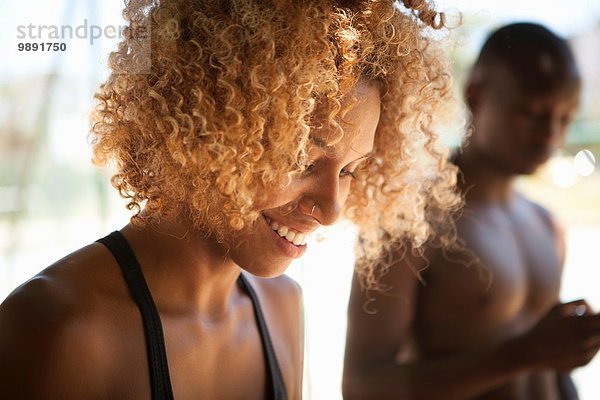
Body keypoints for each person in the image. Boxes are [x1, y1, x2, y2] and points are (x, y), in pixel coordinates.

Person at [0, 1, 461, 399]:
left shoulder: (283, 307)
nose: (333, 208)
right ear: (205, 128)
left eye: (350, 170)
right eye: (301, 159)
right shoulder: (59, 330)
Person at [342, 22, 600, 400]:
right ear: (476, 95)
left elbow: (546, 372)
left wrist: (561, 356)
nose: (551, 133)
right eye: (532, 111)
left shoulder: (547, 225)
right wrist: (523, 353)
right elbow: (362, 386)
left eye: (564, 117)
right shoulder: (410, 217)